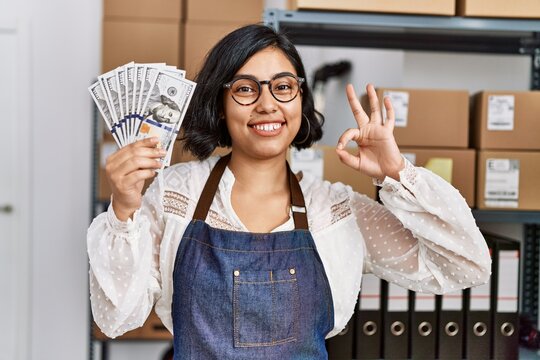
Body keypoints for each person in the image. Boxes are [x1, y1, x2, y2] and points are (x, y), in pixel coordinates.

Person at [87, 24, 491, 359]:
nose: (267, 104)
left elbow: (467, 262)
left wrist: (397, 174)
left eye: (283, 86)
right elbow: (117, 317)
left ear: (300, 99)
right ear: (220, 102)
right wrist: (123, 208)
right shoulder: (177, 194)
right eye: (246, 89)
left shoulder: (334, 210)